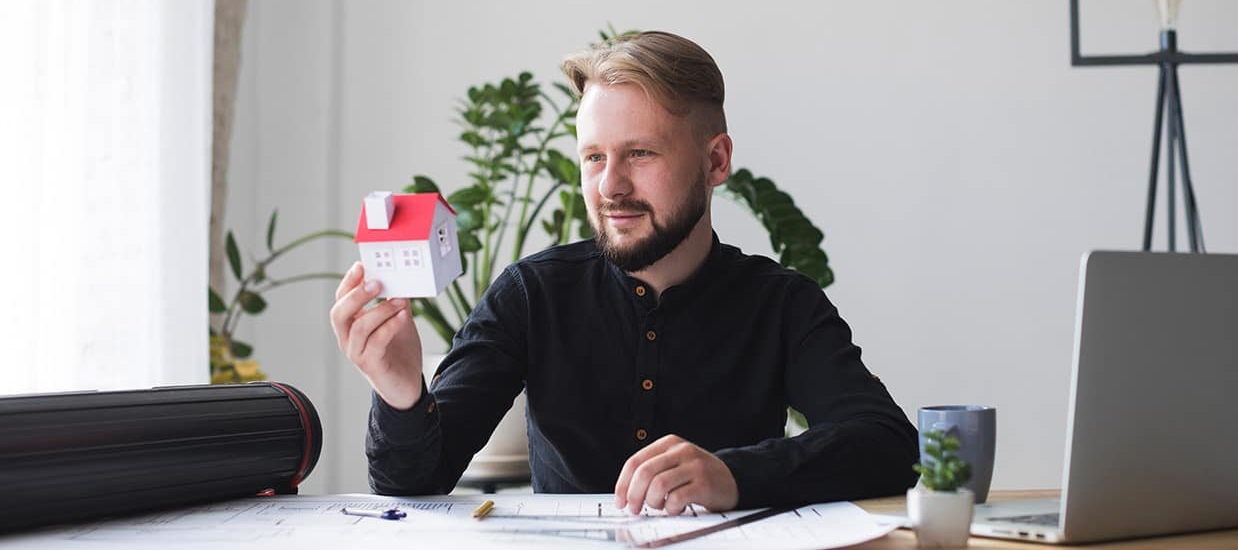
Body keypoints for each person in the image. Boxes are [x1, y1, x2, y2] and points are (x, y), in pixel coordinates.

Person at [329, 31, 917, 513]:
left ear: (716, 161)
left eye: (640, 154)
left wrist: (733, 476)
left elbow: (888, 444)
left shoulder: (782, 304)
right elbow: (414, 484)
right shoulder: (531, 295)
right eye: (593, 157)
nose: (610, 186)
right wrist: (401, 389)